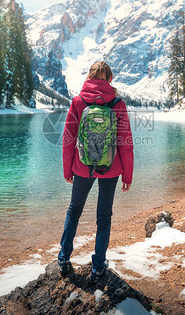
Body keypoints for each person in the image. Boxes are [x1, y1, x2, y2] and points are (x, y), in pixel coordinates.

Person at [58, 61, 134, 281]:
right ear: (110, 79)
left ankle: (64, 258)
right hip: (111, 169)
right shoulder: (118, 104)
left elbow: (68, 139)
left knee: (74, 211)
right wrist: (127, 176)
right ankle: (98, 265)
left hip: (82, 166)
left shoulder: (78, 101)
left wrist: (67, 170)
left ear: (89, 77)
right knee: (104, 217)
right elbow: (125, 143)